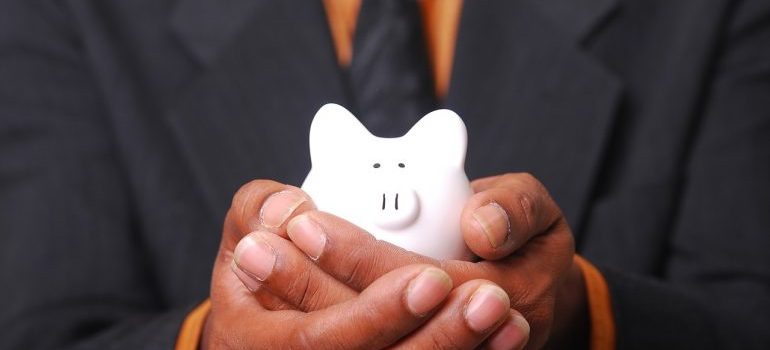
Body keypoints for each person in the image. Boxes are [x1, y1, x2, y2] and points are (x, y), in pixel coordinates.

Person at [1, 0, 769, 349]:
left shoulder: (707, 14)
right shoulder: (72, 14)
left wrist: (586, 312)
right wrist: (210, 345)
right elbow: (44, 331)